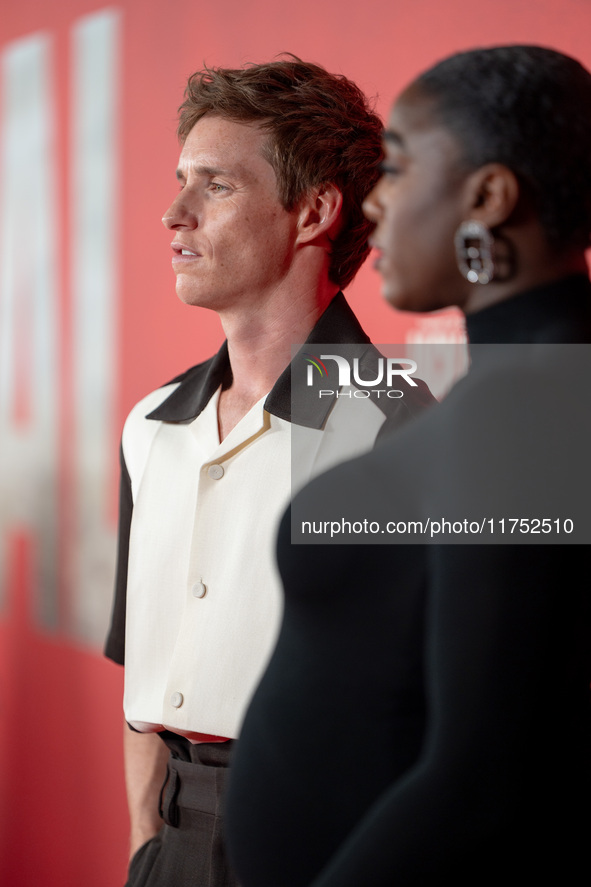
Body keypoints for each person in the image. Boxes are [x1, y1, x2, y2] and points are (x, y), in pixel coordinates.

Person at [225, 45, 591, 886]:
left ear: (488, 197)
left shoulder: (530, 408)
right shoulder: (526, 388)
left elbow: (486, 775)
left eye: (394, 167)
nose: (373, 202)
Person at [104, 57, 434, 887]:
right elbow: (143, 671)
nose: (172, 213)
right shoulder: (150, 424)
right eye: (180, 180)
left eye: (212, 185)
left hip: (331, 841)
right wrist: (147, 844)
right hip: (171, 842)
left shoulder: (412, 423)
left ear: (314, 210)